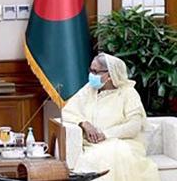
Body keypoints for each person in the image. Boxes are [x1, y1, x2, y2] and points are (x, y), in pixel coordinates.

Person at [62, 53, 160, 181]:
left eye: (95, 71)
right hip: (93, 144)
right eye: (90, 70)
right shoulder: (89, 89)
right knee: (97, 155)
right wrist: (84, 123)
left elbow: (134, 126)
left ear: (109, 74)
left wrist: (105, 134)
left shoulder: (128, 93)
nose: (91, 75)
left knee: (111, 154)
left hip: (124, 143)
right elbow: (68, 110)